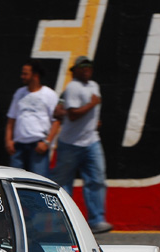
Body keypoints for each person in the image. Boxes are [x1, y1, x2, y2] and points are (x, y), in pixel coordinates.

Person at [51, 56, 110, 233]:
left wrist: (94, 121)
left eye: (89, 66)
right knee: (63, 184)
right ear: (74, 70)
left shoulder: (94, 86)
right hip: (71, 143)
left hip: (92, 141)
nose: (86, 69)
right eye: (82, 66)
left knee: (97, 179)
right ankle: (62, 223)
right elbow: (72, 114)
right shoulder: (72, 87)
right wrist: (92, 104)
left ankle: (97, 220)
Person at [5, 59, 59, 176]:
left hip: (38, 146)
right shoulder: (19, 93)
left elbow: (56, 121)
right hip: (18, 146)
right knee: (15, 180)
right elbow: (11, 119)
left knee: (38, 181)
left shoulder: (49, 94)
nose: (22, 76)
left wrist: (47, 142)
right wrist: (8, 140)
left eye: (25, 74)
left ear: (35, 75)